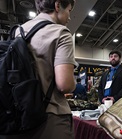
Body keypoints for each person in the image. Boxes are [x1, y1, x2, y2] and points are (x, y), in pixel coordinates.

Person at [0, 0, 77, 139]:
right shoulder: (61, 33)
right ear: (57, 5)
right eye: (69, 11)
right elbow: (64, 85)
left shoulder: (17, 31)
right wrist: (74, 82)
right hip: (49, 118)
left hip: (15, 115)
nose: (69, 17)